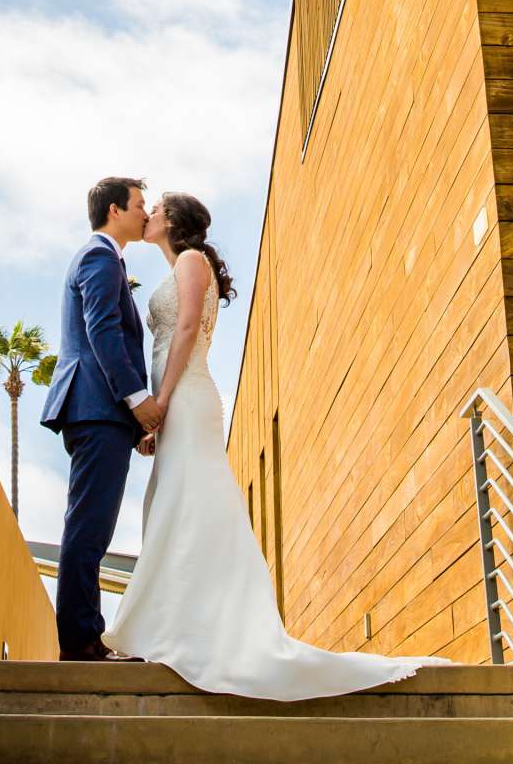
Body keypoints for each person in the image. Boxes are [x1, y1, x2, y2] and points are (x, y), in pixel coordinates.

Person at [104, 191, 440, 698]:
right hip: (173, 405)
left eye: (155, 210)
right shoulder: (174, 269)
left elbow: (189, 328)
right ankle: (174, 624)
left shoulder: (193, 261)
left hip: (187, 399)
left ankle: (198, 628)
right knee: (176, 505)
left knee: (190, 503)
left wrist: (162, 402)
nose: (147, 215)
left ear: (172, 221)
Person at [38, 176, 164, 660]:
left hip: (101, 413)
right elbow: (103, 331)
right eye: (138, 205)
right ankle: (81, 641)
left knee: (92, 524)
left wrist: (132, 427)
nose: (144, 212)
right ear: (115, 210)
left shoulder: (108, 260)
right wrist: (137, 401)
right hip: (96, 407)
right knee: (89, 527)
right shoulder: (98, 257)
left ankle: (85, 635)